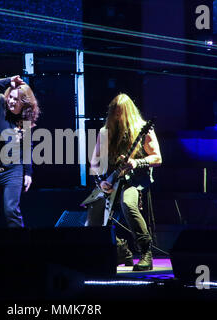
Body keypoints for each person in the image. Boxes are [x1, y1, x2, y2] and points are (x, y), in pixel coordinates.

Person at [87, 93, 161, 271]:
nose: (118, 117)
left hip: (135, 180)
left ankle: (145, 253)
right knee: (94, 210)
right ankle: (121, 251)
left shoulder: (143, 129)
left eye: (121, 113)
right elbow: (94, 162)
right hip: (112, 181)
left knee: (128, 203)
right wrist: (100, 182)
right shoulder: (105, 133)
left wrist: (136, 162)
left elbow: (157, 158)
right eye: (115, 113)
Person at [0, 75, 39, 228]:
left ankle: (19, 248)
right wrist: (9, 81)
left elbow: (27, 147)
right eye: (10, 97)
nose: (11, 101)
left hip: (12, 171)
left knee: (11, 211)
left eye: (16, 100)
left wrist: (28, 173)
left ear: (24, 103)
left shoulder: (24, 121)